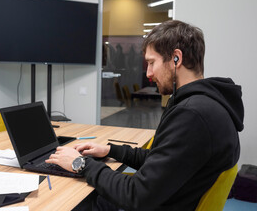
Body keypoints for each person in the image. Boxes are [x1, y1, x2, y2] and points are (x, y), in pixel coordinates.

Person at [46, 20, 244, 210]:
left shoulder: (193, 115)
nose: (148, 73)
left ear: (176, 58)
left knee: (73, 200)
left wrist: (79, 163)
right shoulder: (206, 106)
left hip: (154, 204)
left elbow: (136, 195)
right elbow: (159, 159)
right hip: (168, 199)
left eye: (151, 62)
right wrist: (109, 150)